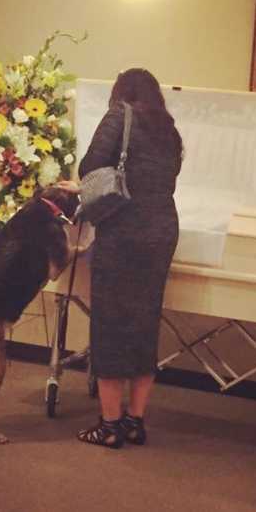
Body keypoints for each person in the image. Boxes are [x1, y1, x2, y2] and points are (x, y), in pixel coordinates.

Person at [57, 68, 183, 449]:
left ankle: (109, 426)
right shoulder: (169, 129)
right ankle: (134, 422)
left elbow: (91, 166)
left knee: (110, 324)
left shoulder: (119, 115)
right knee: (144, 323)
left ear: (121, 91)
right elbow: (168, 178)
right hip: (162, 230)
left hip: (124, 230)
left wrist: (80, 186)